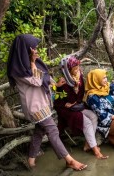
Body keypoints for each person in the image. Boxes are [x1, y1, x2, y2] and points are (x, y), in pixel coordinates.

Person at [7, 34, 87, 171]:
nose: (36, 50)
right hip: (35, 107)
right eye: (34, 48)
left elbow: (46, 78)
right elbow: (37, 81)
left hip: (42, 104)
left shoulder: (31, 63)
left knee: (39, 131)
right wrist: (32, 62)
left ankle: (31, 161)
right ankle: (69, 160)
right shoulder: (18, 69)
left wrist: (57, 84)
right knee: (52, 130)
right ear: (26, 49)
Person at [53, 56, 108, 159]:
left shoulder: (79, 77)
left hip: (77, 106)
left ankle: (88, 144)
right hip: (65, 109)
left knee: (94, 116)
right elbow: (57, 101)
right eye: (75, 68)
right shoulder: (62, 82)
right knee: (86, 122)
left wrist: (78, 93)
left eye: (78, 67)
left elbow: (81, 94)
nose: (78, 70)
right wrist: (65, 102)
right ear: (68, 70)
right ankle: (96, 150)